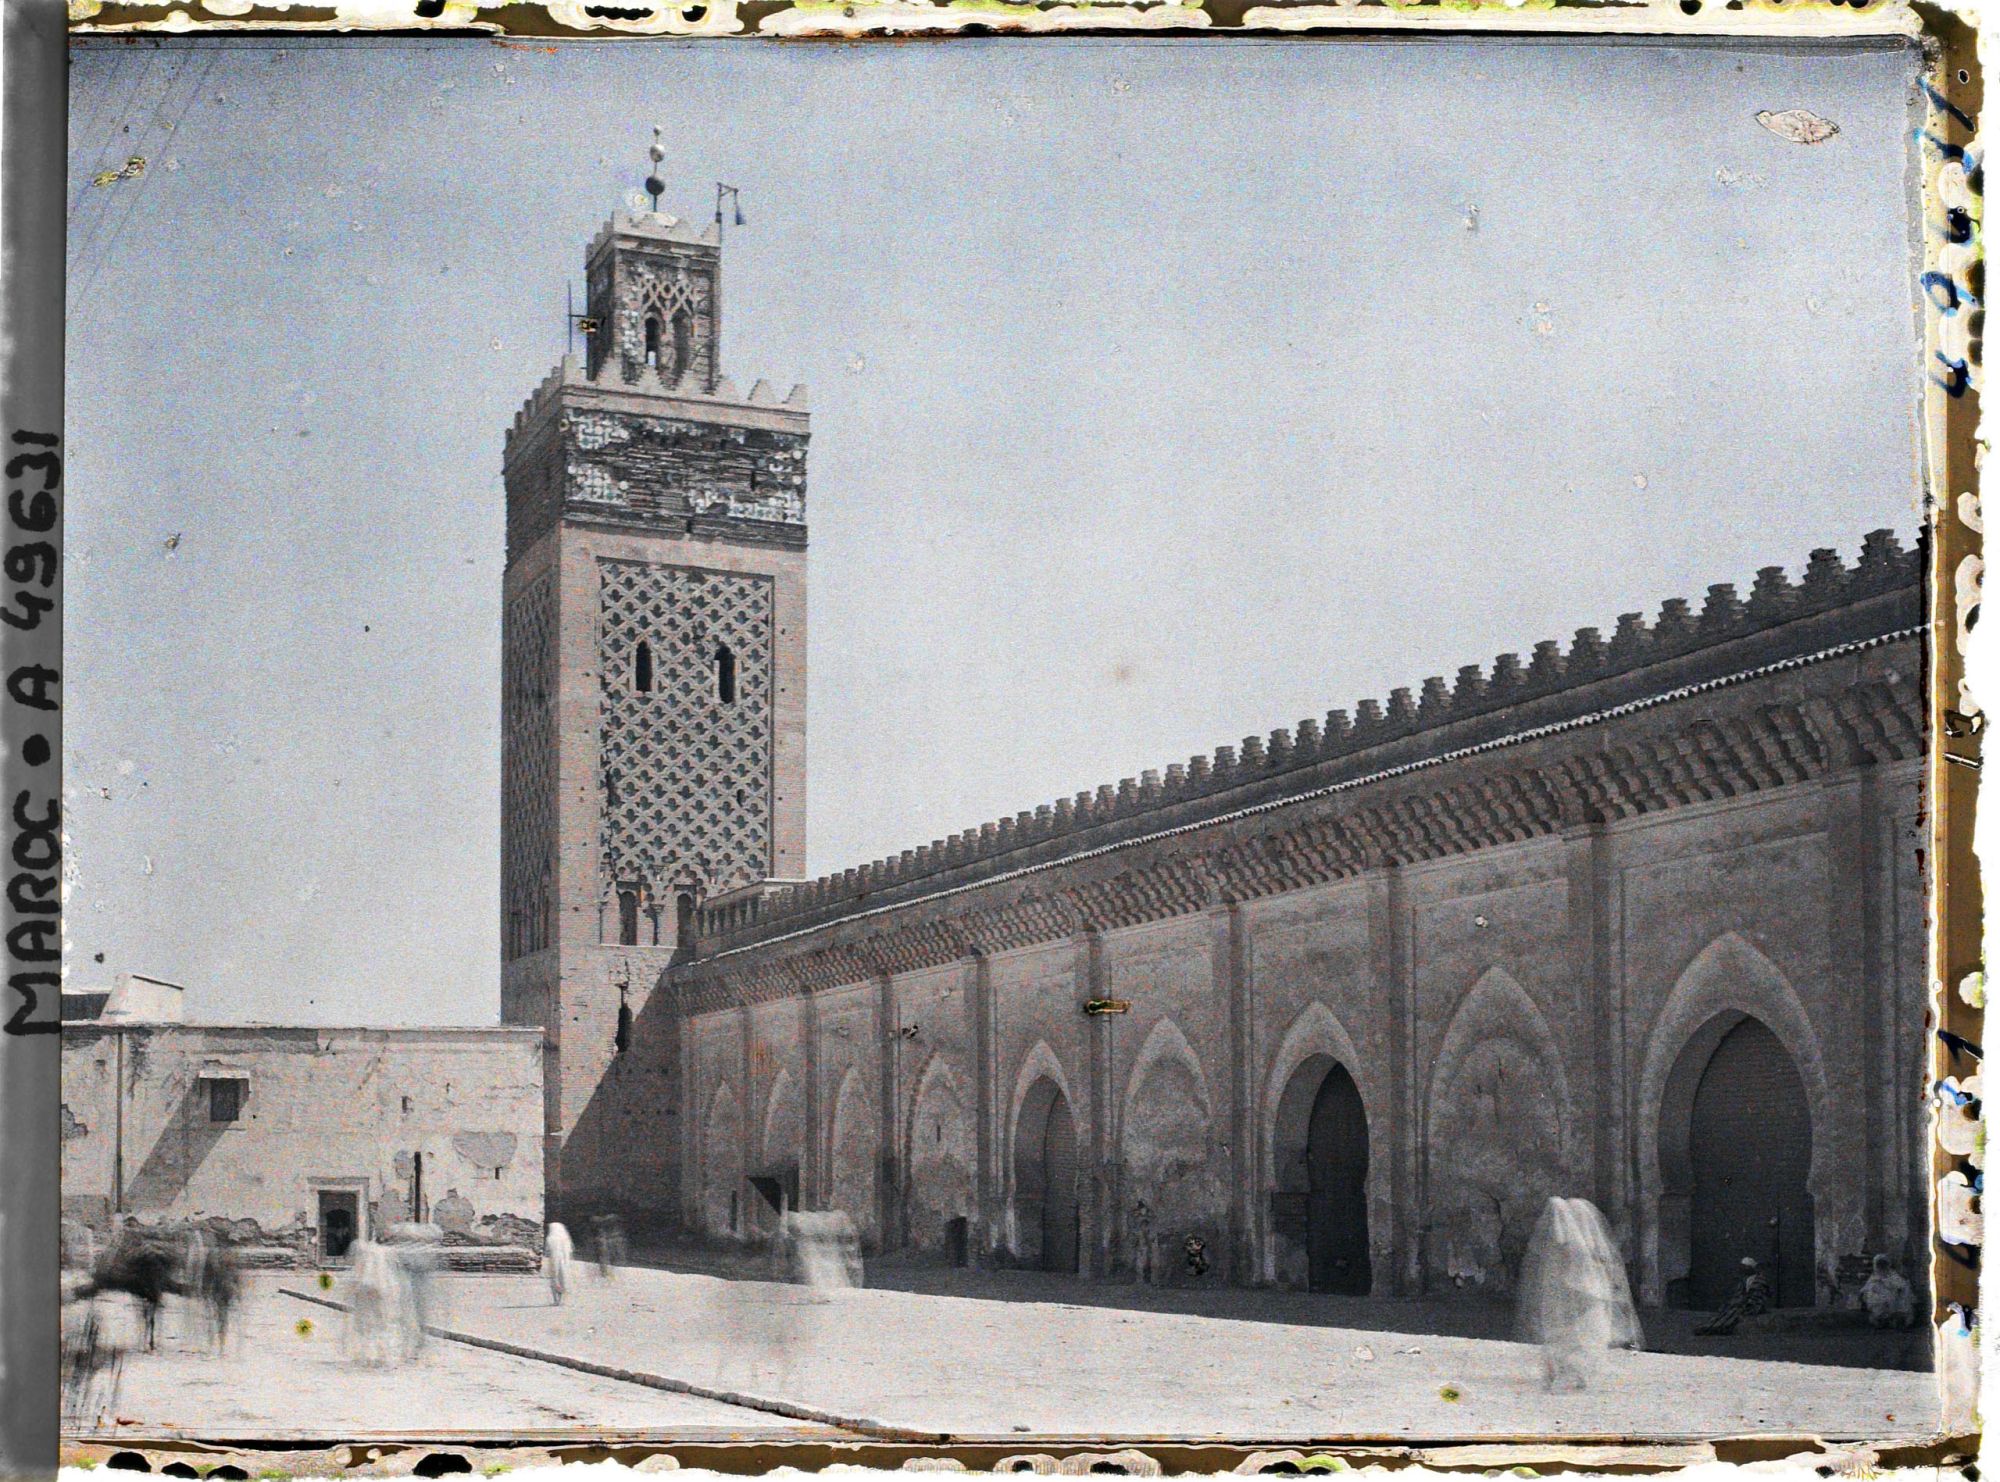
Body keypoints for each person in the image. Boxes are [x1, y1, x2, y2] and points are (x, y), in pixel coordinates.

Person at [1514, 1197, 1643, 1393]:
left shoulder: (1569, 1250)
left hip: (1584, 1301)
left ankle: (1572, 1373)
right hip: (1587, 1300)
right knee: (1579, 1337)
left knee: (1576, 1336)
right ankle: (1571, 1373)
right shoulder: (1582, 1250)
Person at [1694, 1256, 1773, 1336]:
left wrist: (1744, 1304)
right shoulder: (1745, 1279)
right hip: (1743, 1303)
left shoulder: (1759, 1280)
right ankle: (1709, 1327)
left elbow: (1757, 1297)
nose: (1743, 1269)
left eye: (1745, 1267)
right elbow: (1738, 1294)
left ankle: (1717, 1327)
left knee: (1733, 1312)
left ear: (1750, 1268)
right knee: (1726, 1311)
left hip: (1753, 1305)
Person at [1860, 1253, 1915, 1329]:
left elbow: (1902, 1286)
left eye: (1883, 1265)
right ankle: (1881, 1320)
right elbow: (1865, 1289)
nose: (1881, 1267)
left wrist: (1888, 1286)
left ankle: (1896, 1320)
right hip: (1878, 1302)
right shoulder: (1874, 1277)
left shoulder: (1893, 1275)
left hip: (1893, 1302)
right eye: (1879, 1265)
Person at [545, 1221, 574, 1306]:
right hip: (564, 1262)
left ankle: (556, 1300)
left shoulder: (550, 1238)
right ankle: (562, 1300)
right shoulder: (566, 1240)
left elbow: (547, 1251)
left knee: (554, 1278)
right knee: (563, 1278)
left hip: (554, 1261)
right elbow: (570, 1252)